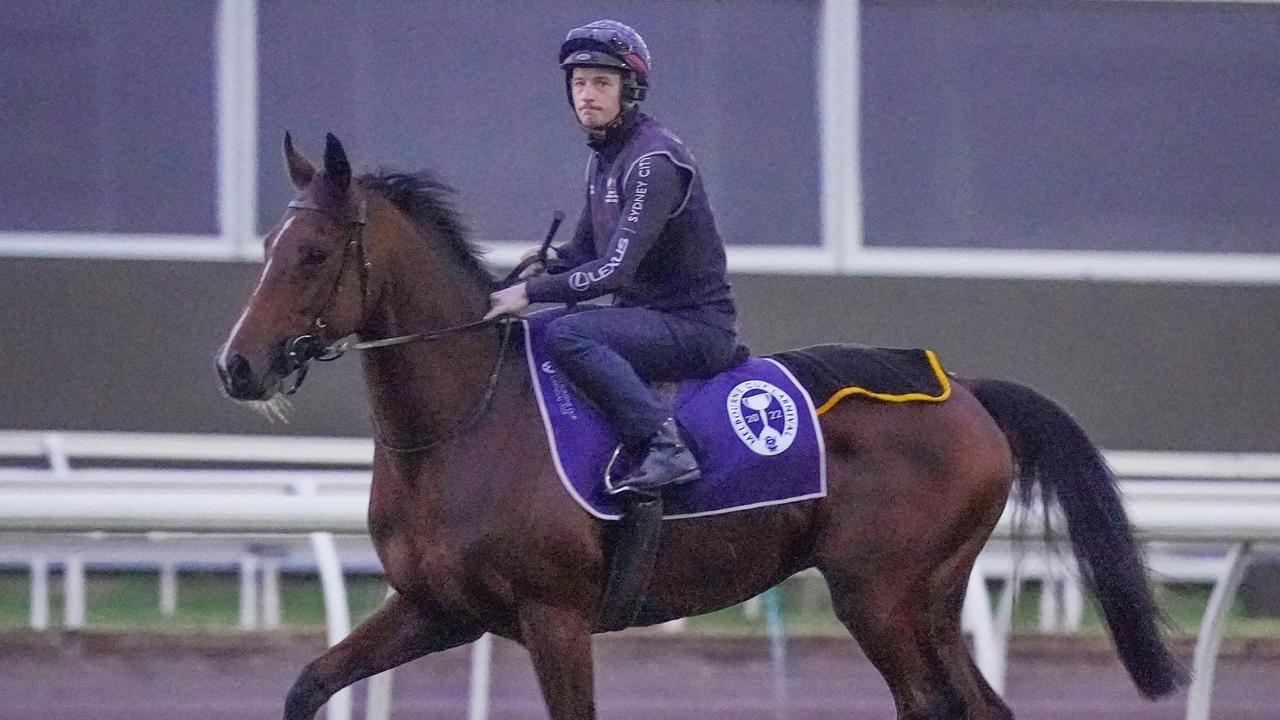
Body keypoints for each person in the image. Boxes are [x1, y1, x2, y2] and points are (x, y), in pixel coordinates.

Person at [484, 19, 739, 495]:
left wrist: (530, 290)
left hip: (696, 328)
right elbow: (585, 251)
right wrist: (548, 260)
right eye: (578, 83)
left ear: (630, 90)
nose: (586, 95)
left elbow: (613, 271)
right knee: (534, 331)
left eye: (601, 83)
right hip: (647, 318)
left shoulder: (652, 161)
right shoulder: (603, 157)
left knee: (568, 332)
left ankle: (665, 445)